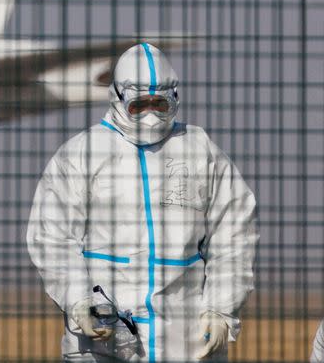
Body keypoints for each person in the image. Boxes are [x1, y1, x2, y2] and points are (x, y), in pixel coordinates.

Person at [27, 43, 258, 361]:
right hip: (103, 338)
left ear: (173, 99)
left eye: (158, 104)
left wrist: (220, 308)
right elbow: (52, 238)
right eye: (140, 106)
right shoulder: (81, 155)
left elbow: (234, 237)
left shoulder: (201, 153)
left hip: (184, 338)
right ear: (119, 98)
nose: (150, 115)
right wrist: (79, 301)